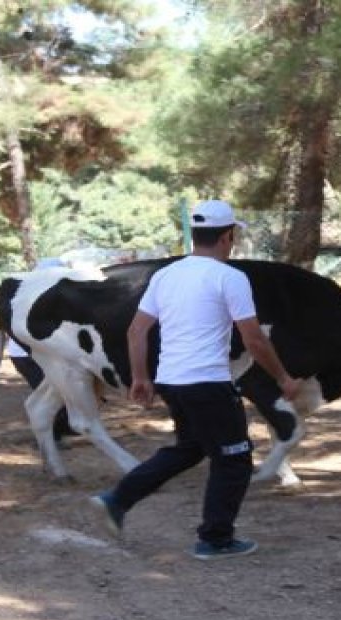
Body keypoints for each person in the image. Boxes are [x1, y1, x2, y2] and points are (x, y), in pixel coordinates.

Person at [87, 199, 302, 560]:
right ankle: (215, 539)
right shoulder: (230, 278)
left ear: (196, 235)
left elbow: (137, 331)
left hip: (173, 381)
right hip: (208, 382)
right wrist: (283, 376)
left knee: (191, 447)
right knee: (234, 459)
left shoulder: (166, 275)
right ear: (227, 236)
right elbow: (253, 339)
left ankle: (117, 500)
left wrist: (140, 377)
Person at [6, 257, 77, 443]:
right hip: (26, 354)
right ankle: (52, 435)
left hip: (39, 352)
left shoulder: (42, 294)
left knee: (60, 389)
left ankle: (65, 427)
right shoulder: (33, 297)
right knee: (48, 393)